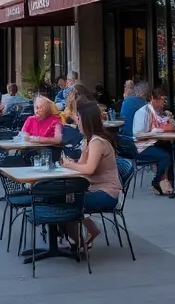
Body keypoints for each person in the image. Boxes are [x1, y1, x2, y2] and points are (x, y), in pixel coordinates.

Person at [60, 99, 121, 250]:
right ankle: (84, 235)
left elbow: (89, 169)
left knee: (66, 202)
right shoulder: (89, 140)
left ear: (86, 121)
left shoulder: (97, 142)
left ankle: (78, 243)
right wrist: (74, 162)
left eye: (79, 118)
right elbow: (81, 164)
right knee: (63, 198)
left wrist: (69, 164)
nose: (77, 122)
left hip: (106, 193)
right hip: (94, 189)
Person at [131, 87, 175, 196]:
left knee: (174, 150)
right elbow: (138, 135)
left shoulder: (161, 113)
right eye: (161, 100)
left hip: (153, 143)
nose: (163, 103)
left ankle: (169, 181)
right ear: (153, 99)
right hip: (141, 147)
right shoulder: (143, 113)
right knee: (165, 156)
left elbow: (172, 128)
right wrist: (155, 132)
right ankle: (156, 182)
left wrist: (170, 119)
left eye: (164, 100)